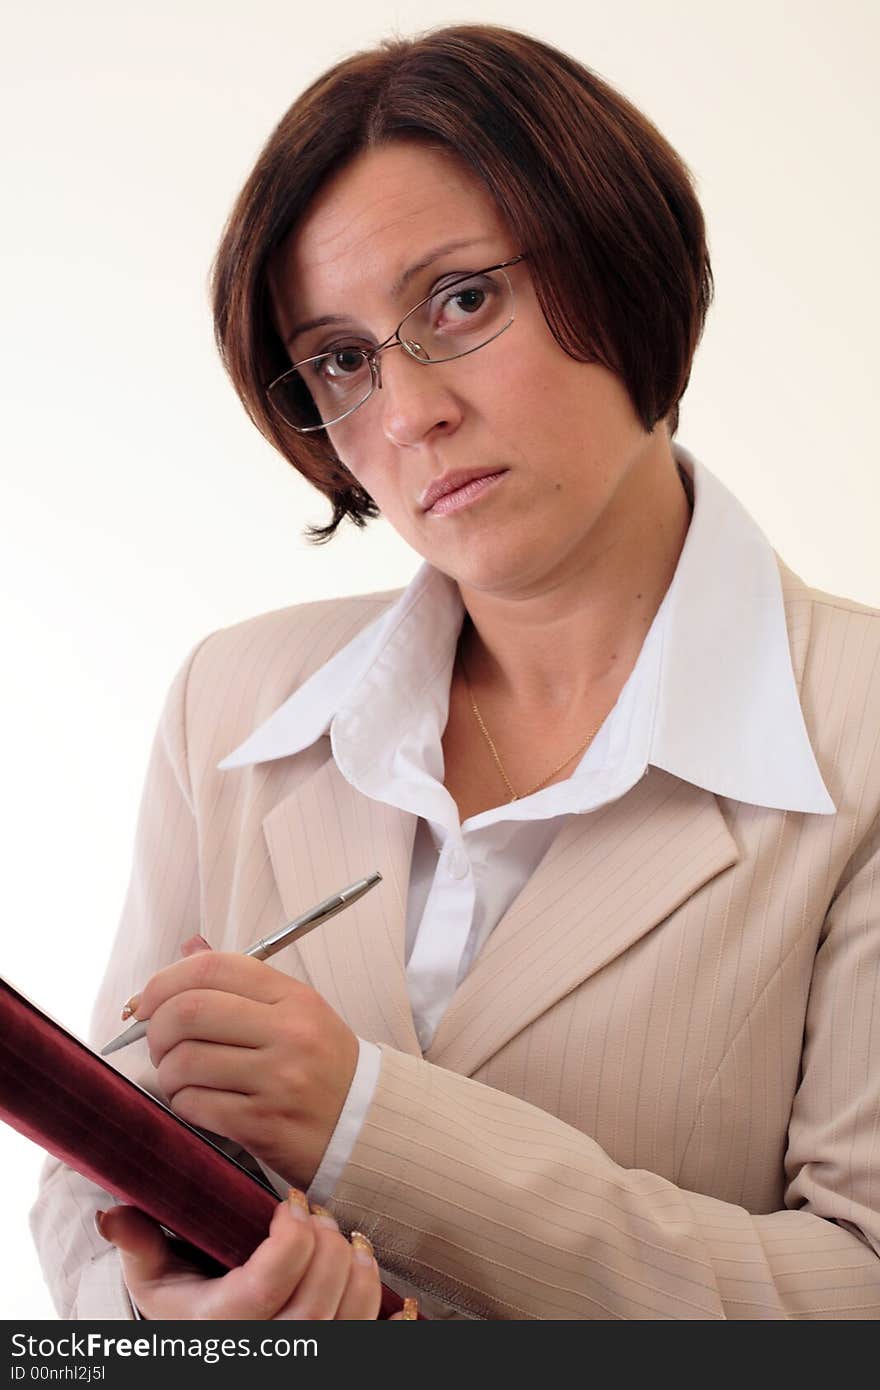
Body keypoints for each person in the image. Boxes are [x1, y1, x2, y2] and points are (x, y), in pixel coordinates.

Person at [31, 23, 880, 1320]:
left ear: (622, 261)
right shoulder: (233, 701)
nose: (409, 412)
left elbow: (859, 1287)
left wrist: (370, 1122)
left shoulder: (858, 724)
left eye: (462, 300)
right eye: (342, 359)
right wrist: (181, 1328)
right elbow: (87, 1186)